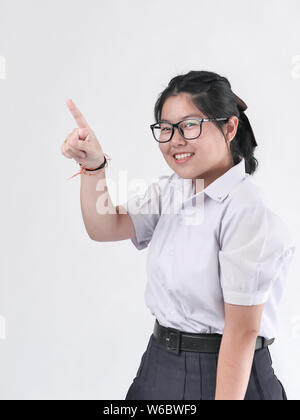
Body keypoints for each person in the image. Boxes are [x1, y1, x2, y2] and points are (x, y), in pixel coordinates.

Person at [61, 70, 296, 400]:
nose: (175, 140)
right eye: (166, 128)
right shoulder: (174, 191)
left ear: (230, 127)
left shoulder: (245, 212)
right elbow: (105, 227)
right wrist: (94, 166)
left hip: (224, 375)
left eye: (189, 125)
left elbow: (242, 332)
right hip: (159, 364)